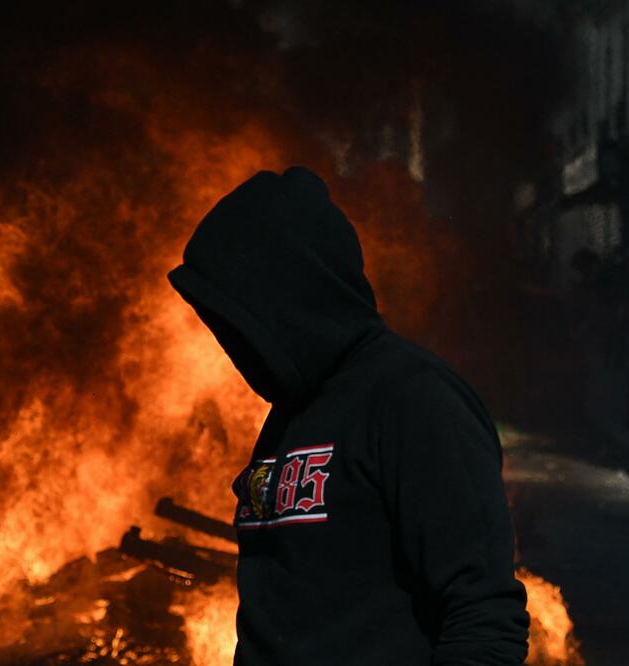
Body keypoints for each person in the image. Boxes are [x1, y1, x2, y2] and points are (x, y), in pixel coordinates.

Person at [167, 167, 529, 664]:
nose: (230, 343)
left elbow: (484, 621)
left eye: (238, 318)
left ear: (288, 296)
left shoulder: (414, 398)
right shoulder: (290, 412)